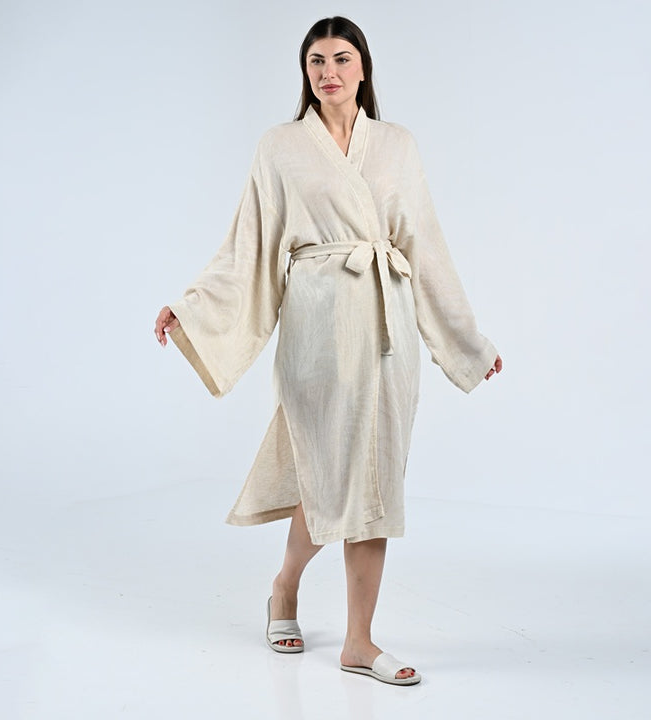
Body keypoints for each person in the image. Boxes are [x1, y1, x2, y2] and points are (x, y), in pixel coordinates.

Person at [154, 16, 502, 686]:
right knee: (325, 472)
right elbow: (249, 246)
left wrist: (467, 342)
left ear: (363, 67)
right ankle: (285, 585)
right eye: (316, 60)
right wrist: (194, 307)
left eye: (342, 58)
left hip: (388, 330)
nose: (328, 71)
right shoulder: (280, 147)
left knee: (375, 480)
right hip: (317, 327)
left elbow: (425, 247)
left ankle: (359, 642)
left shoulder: (397, 144)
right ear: (305, 71)